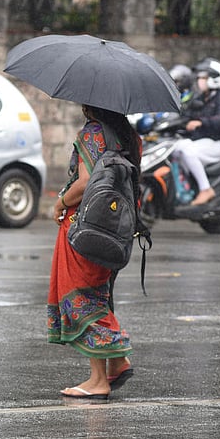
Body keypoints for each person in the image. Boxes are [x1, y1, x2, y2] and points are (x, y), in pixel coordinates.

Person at [48, 104, 141, 400]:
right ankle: (116, 361)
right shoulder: (129, 136)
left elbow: (85, 182)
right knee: (100, 291)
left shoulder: (92, 133)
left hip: (86, 225)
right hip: (116, 226)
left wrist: (60, 202)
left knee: (85, 295)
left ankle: (98, 380)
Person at [173, 57, 220, 205]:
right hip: (205, 140)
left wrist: (201, 122)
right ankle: (185, 187)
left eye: (203, 77)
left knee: (189, 152)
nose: (200, 80)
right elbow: (190, 112)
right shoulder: (204, 97)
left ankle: (205, 189)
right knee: (176, 148)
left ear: (214, 79)